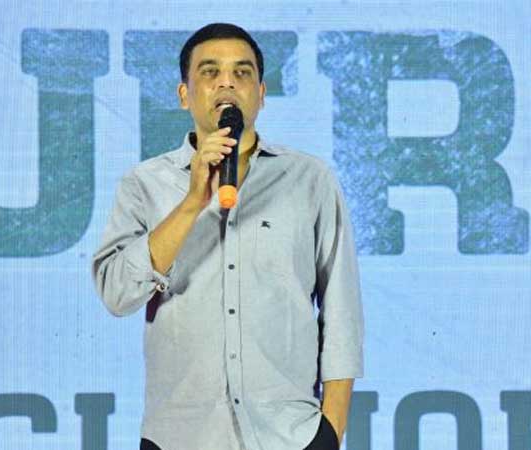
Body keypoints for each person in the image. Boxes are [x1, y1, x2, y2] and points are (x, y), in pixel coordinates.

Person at [92, 22, 364, 450]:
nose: (226, 83)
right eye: (209, 72)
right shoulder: (144, 184)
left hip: (289, 436)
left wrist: (330, 431)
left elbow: (341, 309)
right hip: (180, 437)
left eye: (242, 72)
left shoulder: (309, 180)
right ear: (184, 95)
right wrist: (191, 203)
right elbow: (116, 293)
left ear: (261, 93)